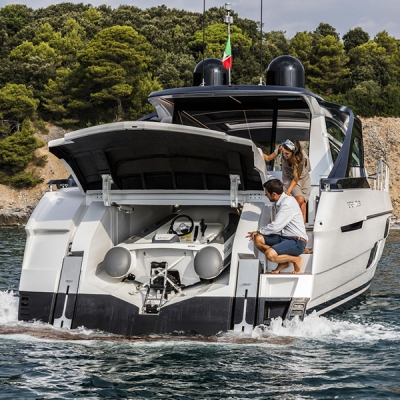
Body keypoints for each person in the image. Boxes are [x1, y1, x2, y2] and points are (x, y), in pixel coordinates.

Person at [246, 178, 307, 274]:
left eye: (267, 194)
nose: (266, 195)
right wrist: (259, 233)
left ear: (274, 194)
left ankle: (295, 259)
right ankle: (284, 261)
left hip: (296, 241)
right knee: (258, 238)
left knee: (270, 254)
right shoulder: (281, 201)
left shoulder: (287, 204)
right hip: (284, 237)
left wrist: (259, 231)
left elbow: (275, 227)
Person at [263, 138, 311, 222]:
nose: (284, 155)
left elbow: (296, 178)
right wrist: (256, 152)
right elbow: (268, 158)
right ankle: (285, 221)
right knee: (300, 200)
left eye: (287, 153)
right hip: (288, 178)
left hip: (303, 179)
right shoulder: (281, 148)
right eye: (283, 152)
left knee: (303, 203)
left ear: (294, 153)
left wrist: (288, 191)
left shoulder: (302, 159)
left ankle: (301, 229)